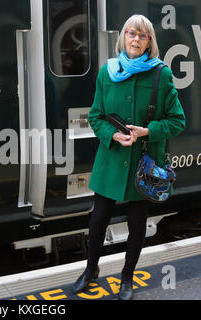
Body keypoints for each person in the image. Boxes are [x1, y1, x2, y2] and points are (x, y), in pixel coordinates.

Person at [73, 14, 186, 300]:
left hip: (144, 162)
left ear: (150, 42)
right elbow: (96, 116)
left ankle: (127, 276)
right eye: (131, 33)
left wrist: (148, 130)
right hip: (111, 157)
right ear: (123, 37)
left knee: (137, 224)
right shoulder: (106, 72)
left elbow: (177, 121)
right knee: (98, 219)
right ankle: (91, 269)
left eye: (142, 36)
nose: (135, 39)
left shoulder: (162, 74)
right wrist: (112, 135)